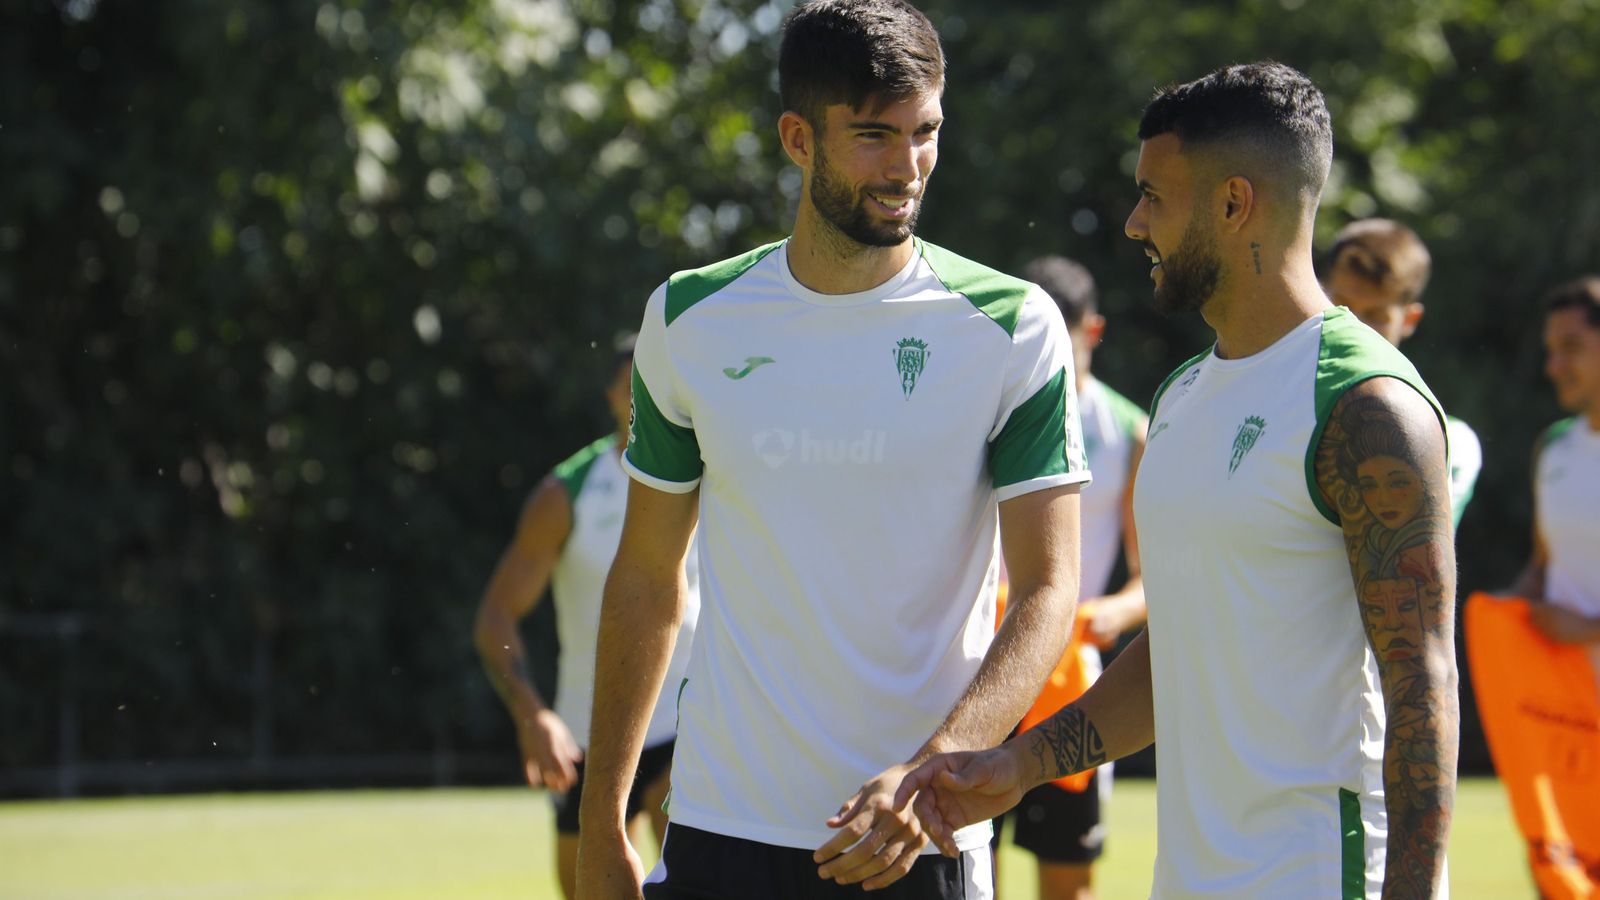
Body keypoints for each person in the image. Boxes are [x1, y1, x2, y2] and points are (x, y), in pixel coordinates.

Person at [898, 62, 1460, 899]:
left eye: (1153, 196)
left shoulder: (1366, 405)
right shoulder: (1182, 397)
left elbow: (1423, 681)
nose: (1132, 223)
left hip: (1325, 877)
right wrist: (1021, 763)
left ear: (1234, 204)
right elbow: (1182, 651)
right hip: (1190, 879)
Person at [575, 2, 1092, 898]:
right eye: (872, 137)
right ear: (797, 137)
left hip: (917, 837)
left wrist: (934, 773)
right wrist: (601, 817)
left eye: (925, 133)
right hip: (718, 828)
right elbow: (649, 578)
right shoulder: (689, 319)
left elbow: (1048, 589)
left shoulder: (1012, 328)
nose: (907, 167)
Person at [473, 335, 698, 899]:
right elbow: (495, 617)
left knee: (692, 863)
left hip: (688, 723)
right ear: (612, 397)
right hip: (590, 732)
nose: (644, 399)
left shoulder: (716, 475)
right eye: (631, 388)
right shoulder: (566, 494)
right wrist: (532, 716)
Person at [992, 256, 1148, 900]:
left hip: (1072, 675)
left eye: (1067, 332)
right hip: (981, 662)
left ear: (1095, 331)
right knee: (964, 858)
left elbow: (1154, 577)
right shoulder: (987, 412)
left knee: (1068, 876)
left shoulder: (1131, 432)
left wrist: (1112, 613)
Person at [1323, 218, 1483, 524]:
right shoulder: (1267, 392)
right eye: (1341, 306)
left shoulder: (1451, 442)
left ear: (1409, 320)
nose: (1353, 328)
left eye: (1375, 315)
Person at [1510, 276, 1600, 647]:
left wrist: (1588, 633)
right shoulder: (1552, 446)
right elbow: (1543, 566)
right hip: (1560, 701)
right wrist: (1500, 610)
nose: (1554, 366)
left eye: (1571, 347)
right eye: (1551, 350)